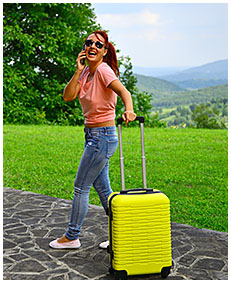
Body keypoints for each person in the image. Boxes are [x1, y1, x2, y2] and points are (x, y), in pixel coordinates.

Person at [49, 30, 136, 250]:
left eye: (98, 45)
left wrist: (130, 110)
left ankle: (72, 236)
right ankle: (123, 235)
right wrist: (78, 71)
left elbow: (124, 92)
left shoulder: (104, 70)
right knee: (104, 191)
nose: (93, 47)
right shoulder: (87, 73)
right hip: (94, 137)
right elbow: (68, 96)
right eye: (89, 43)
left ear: (105, 51)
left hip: (102, 137)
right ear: (84, 48)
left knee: (80, 187)